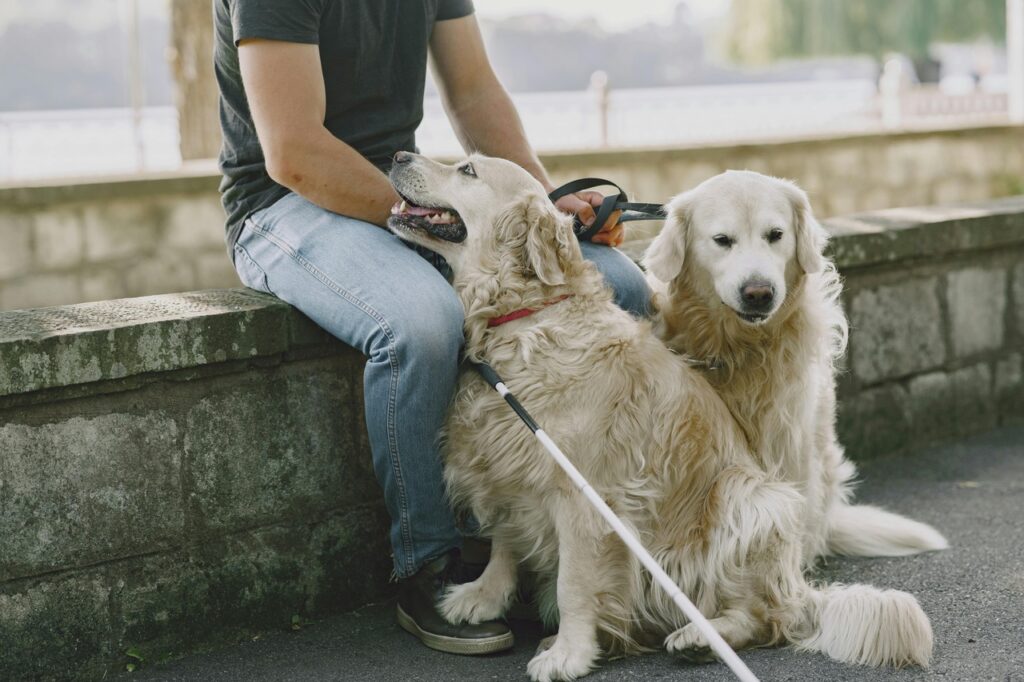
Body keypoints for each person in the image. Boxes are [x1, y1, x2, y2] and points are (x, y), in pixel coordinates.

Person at [213, 0, 651, 654]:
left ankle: (582, 541)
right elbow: (294, 150)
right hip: (284, 206)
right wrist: (424, 220)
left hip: (402, 193)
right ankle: (427, 558)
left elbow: (473, 95)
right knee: (421, 319)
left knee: (620, 283)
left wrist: (540, 210)